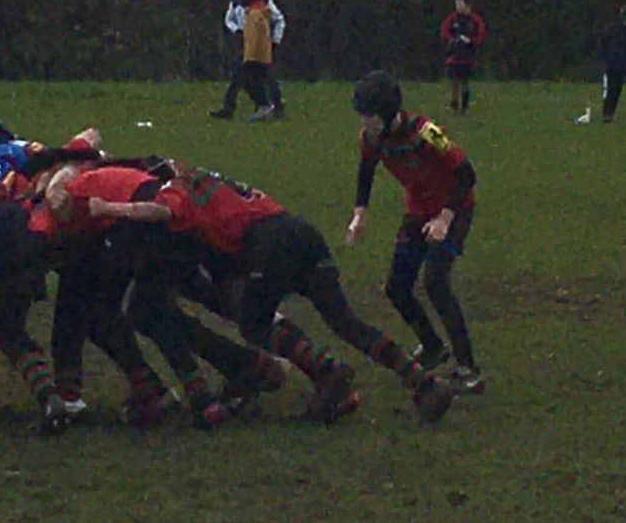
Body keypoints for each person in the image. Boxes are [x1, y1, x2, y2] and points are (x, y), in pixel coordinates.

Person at [94, 162, 458, 424]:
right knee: (346, 322)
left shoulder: (176, 194)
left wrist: (111, 207)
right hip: (301, 232)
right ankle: (423, 380)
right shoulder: (208, 177)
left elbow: (159, 211)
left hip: (267, 247)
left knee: (254, 324)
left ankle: (328, 371)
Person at [346, 70, 483, 394]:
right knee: (397, 287)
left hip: (454, 208)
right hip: (418, 212)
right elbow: (366, 171)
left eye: (370, 116)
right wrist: (359, 214)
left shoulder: (426, 133)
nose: (365, 123)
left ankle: (468, 369)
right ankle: (432, 346)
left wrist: (445, 219)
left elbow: (466, 174)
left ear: (389, 113)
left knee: (436, 282)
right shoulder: (370, 138)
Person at [211, 0, 286, 120]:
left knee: (259, 75)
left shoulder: (265, 2)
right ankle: (266, 105)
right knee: (245, 75)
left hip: (261, 44)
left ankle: (267, 105)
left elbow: (279, 20)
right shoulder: (236, 3)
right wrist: (237, 30)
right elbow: (229, 19)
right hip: (244, 43)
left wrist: (275, 40)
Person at [439, 0, 486, 114]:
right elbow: (444, 31)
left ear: (468, 5)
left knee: (465, 82)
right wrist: (452, 40)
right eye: (456, 4)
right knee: (454, 81)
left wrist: (471, 41)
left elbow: (480, 34)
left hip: (468, 56)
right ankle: (454, 105)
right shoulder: (452, 18)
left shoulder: (474, 20)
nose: (458, 7)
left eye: (460, 4)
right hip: (453, 56)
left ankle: (464, 107)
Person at [599, 5, 626, 123]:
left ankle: (608, 112)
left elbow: (604, 42)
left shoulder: (613, 28)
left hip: (612, 62)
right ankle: (608, 113)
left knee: (611, 88)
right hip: (619, 63)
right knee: (615, 89)